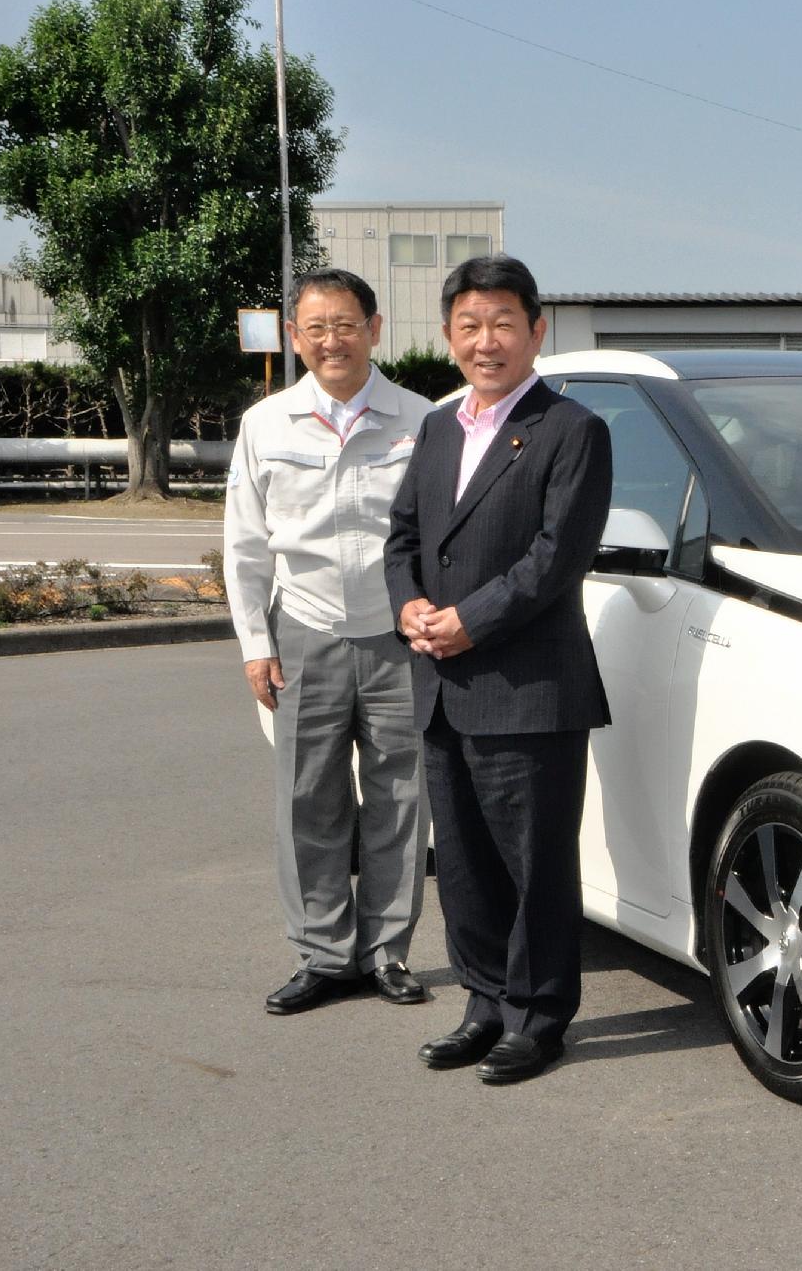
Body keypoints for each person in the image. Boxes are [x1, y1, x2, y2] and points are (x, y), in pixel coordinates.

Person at [384, 254, 613, 1085]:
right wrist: (408, 603)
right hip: (444, 687)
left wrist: (466, 623)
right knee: (468, 864)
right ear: (449, 336)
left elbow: (557, 558)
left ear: (536, 330)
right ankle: (483, 1003)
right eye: (470, 326)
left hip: (530, 690)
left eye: (504, 324)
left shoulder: (572, 430)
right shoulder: (442, 427)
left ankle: (539, 1015)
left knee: (536, 864)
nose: (488, 342)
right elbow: (403, 535)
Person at [224, 267, 433, 1014]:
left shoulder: (420, 420)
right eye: (315, 328)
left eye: (346, 324)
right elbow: (245, 545)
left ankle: (386, 952)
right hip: (305, 628)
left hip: (395, 632)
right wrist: (255, 640)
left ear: (375, 329)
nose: (331, 340)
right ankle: (322, 954)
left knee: (399, 797)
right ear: (294, 338)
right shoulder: (267, 425)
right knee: (307, 797)